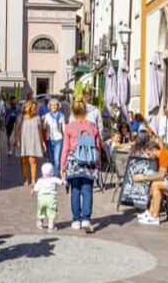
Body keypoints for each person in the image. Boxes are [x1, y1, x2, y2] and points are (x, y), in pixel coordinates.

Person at [60, 98, 101, 233]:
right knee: (87, 190)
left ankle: (76, 219)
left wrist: (62, 166)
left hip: (73, 160)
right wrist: (99, 161)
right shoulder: (92, 126)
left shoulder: (69, 127)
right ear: (85, 111)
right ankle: (86, 219)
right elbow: (98, 145)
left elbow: (65, 148)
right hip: (89, 161)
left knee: (75, 190)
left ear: (73, 111)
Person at [15, 100, 44, 185]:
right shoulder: (21, 117)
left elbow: (40, 131)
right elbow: (16, 128)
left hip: (34, 140)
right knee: (23, 160)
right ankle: (26, 179)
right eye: (35, 108)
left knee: (33, 160)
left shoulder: (37, 118)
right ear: (29, 108)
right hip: (23, 140)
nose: (36, 109)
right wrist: (17, 139)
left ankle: (34, 179)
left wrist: (42, 143)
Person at [31, 162, 65, 232]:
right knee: (51, 212)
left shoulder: (40, 180)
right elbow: (61, 182)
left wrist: (33, 191)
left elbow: (35, 189)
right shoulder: (54, 179)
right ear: (52, 172)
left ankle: (40, 223)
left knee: (41, 211)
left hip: (41, 198)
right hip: (51, 198)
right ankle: (51, 227)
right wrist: (64, 179)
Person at [42, 98, 66, 177]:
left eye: (56, 105)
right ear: (50, 106)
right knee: (51, 159)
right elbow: (44, 128)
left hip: (58, 139)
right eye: (52, 105)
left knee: (56, 159)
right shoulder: (47, 116)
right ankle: (52, 173)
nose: (54, 107)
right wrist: (43, 122)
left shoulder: (61, 115)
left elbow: (64, 128)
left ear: (58, 106)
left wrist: (65, 137)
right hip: (49, 139)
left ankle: (56, 175)